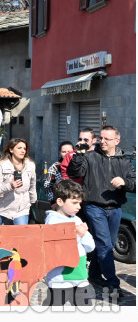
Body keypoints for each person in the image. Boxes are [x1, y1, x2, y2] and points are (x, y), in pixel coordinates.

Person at [67, 126, 135, 298]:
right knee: (105, 244)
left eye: (107, 139)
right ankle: (113, 284)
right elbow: (73, 171)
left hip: (115, 208)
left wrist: (125, 182)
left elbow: (134, 183)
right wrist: (78, 155)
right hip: (94, 206)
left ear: (116, 141)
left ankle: (95, 274)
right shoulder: (90, 157)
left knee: (108, 245)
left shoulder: (125, 161)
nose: (102, 142)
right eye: (101, 138)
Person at [44, 180, 96, 306]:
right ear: (60, 201)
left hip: (80, 276)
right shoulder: (52, 221)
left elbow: (90, 247)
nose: (79, 206)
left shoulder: (76, 218)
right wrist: (78, 236)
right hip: (60, 278)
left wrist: (83, 235)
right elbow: (58, 249)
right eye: (74, 203)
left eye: (79, 203)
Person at [0, 138, 36, 226]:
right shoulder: (2, 165)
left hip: (21, 210)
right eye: (19, 148)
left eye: (24, 148)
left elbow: (32, 185)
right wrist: (10, 186)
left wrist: (33, 200)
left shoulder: (30, 166)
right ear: (11, 149)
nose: (23, 151)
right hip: (1, 209)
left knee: (20, 237)